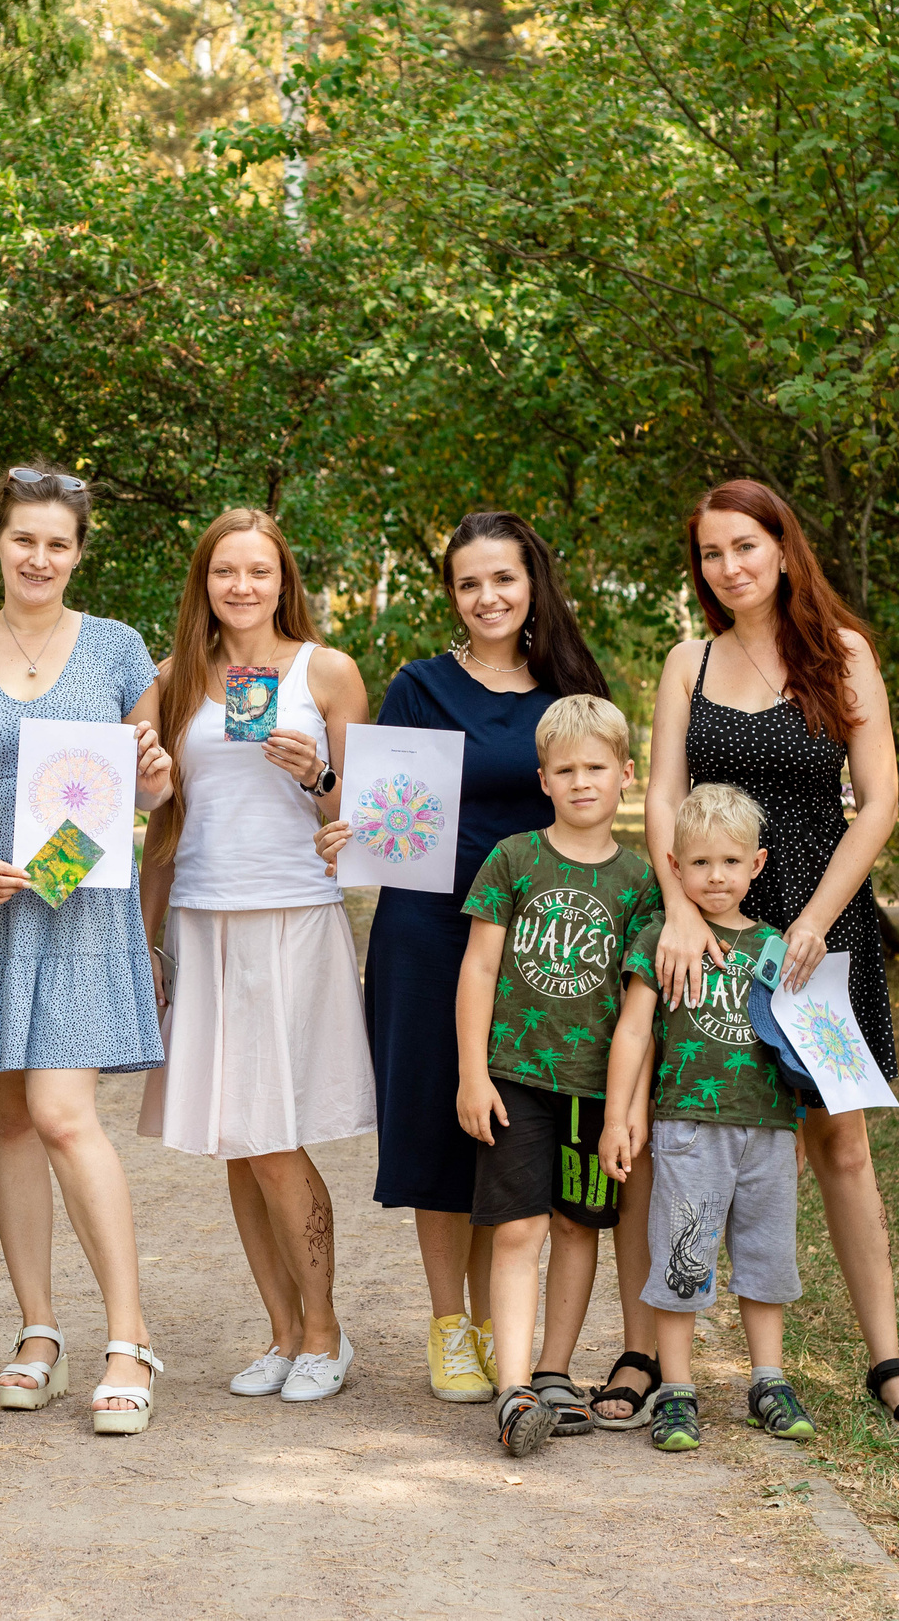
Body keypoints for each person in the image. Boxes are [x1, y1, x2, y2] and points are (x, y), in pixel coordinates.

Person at [627, 477, 899, 1440]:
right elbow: (659, 797)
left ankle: (888, 1359)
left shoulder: (842, 654)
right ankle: (651, 1354)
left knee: (838, 1140)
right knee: (674, 1121)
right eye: (712, 555)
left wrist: (814, 920)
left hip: (820, 929)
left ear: (782, 547)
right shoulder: (688, 661)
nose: (729, 568)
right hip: (707, 930)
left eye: (745, 547)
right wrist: (681, 911)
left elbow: (879, 799)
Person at [0, 464, 176, 1435]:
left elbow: (144, 794)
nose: (40, 558)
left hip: (76, 905)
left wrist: (154, 772)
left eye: (58, 544)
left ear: (78, 552)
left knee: (62, 1113)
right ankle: (38, 1332)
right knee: (9, 1121)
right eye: (24, 540)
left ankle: (129, 1340)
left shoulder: (117, 651)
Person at [318, 512, 615, 1406]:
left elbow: (594, 800)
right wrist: (342, 815)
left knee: (509, 1126)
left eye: (504, 579)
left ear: (534, 585)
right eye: (469, 583)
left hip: (538, 939)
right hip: (428, 930)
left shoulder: (568, 688)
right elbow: (384, 810)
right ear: (452, 595)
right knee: (436, 1122)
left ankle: (499, 1322)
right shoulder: (419, 686)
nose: (487, 597)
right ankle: (450, 1324)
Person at [135, 509, 375, 1403]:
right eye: (225, 571)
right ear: (204, 582)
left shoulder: (328, 671)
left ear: (285, 581)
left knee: (275, 1135)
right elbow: (164, 820)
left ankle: (326, 1332)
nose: (242, 586)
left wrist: (316, 777)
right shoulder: (173, 680)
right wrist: (145, 936)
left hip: (292, 917)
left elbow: (372, 819)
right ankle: (282, 1332)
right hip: (202, 918)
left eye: (260, 571)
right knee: (235, 1139)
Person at [452, 695, 661, 1455]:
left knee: (579, 1226)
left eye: (596, 767)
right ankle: (511, 1391)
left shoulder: (642, 883)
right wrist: (473, 1073)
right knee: (519, 1228)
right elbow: (478, 967)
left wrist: (624, 1110)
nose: (581, 782)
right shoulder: (512, 858)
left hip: (594, 1086)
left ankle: (553, 1373)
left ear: (626, 775)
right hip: (514, 1076)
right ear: (542, 778)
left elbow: (643, 1010)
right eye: (565, 769)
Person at [601, 782, 814, 1453]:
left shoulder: (777, 948)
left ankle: (769, 1380)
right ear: (673, 864)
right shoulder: (659, 939)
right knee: (682, 1256)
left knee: (767, 1254)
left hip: (767, 1129)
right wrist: (616, 1118)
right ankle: (677, 1389)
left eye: (730, 861)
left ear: (757, 863)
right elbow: (633, 1033)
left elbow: (799, 1045)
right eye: (699, 863)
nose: (715, 876)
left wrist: (800, 1125)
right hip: (689, 1125)